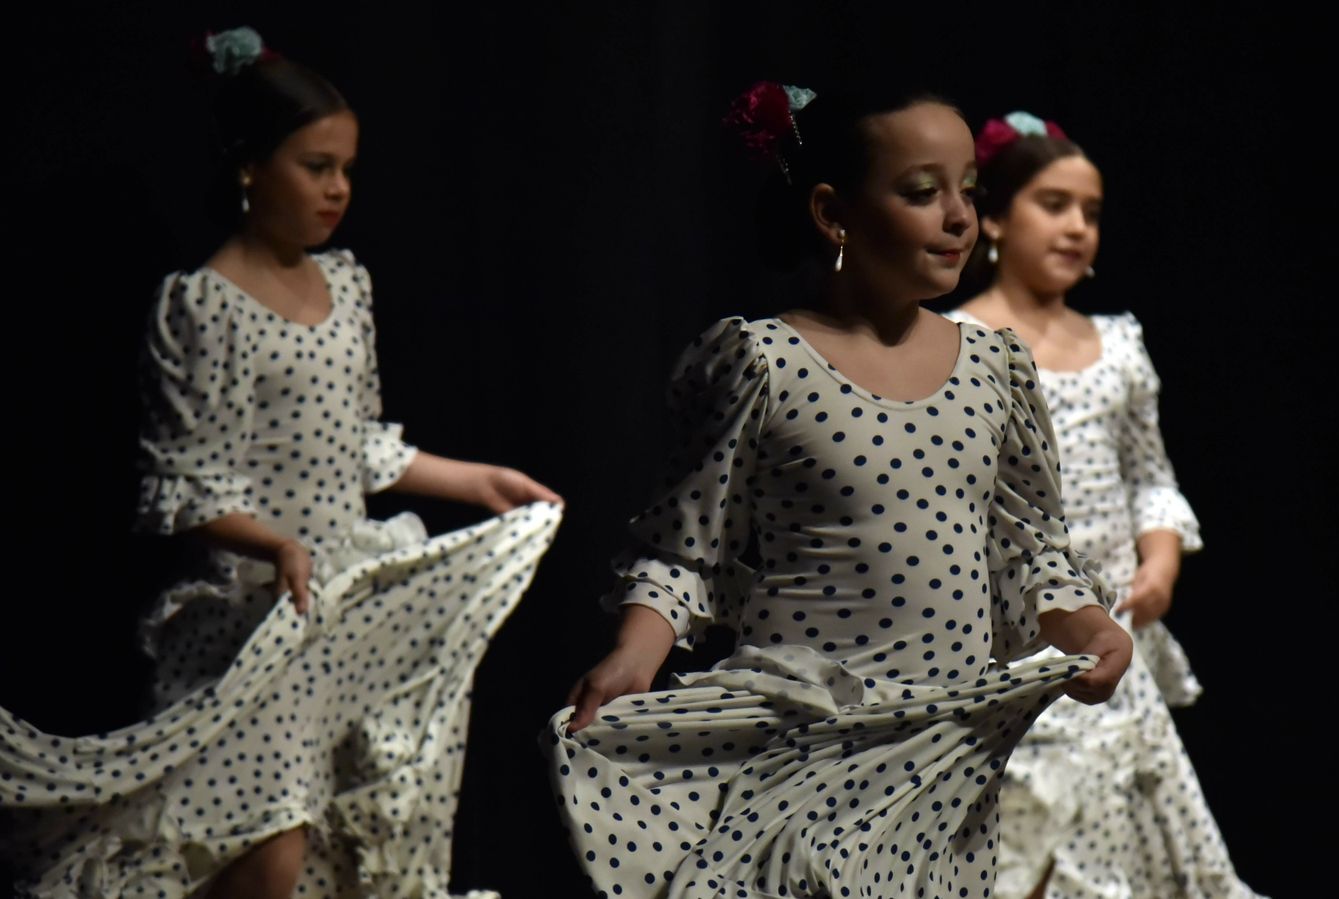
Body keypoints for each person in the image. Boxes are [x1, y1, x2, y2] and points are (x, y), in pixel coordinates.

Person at [0, 27, 562, 899]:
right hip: (254, 618)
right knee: (267, 848)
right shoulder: (208, 303)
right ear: (249, 167)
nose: (338, 189)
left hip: (339, 605)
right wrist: (273, 545)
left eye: (347, 169)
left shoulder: (347, 286)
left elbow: (357, 445)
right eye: (315, 167)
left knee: (325, 844)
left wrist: (477, 481)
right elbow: (185, 484)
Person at [548, 83, 1132, 899]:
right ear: (833, 213)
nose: (958, 217)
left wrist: (1092, 625)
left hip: (940, 750)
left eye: (968, 190)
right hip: (809, 731)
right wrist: (633, 654)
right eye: (922, 192)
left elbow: (1031, 550)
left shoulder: (993, 370)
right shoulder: (765, 362)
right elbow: (684, 548)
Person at [947, 110, 1259, 898]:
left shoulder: (1118, 344)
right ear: (994, 217)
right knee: (1026, 844)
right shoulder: (954, 342)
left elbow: (1149, 474)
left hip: (1114, 639)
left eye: (1090, 211)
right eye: (1054, 205)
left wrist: (1160, 560)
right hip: (1012, 644)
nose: (1076, 227)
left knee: (1122, 840)